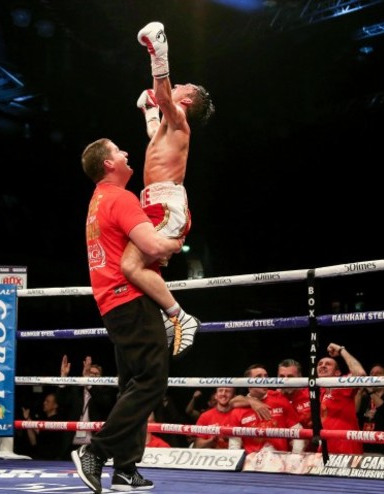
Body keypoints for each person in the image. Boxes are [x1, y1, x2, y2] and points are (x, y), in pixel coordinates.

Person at [73, 136, 183, 494]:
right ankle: (97, 451)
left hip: (111, 301)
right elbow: (151, 246)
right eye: (119, 150)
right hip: (132, 298)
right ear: (108, 164)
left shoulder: (96, 202)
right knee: (153, 381)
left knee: (131, 385)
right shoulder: (121, 197)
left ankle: (125, 470)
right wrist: (173, 244)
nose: (126, 153)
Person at [121, 21, 215, 359]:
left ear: (186, 98)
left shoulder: (180, 119)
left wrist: (157, 51)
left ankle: (180, 316)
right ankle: (163, 317)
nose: (176, 87)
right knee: (141, 270)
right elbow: (154, 141)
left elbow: (162, 93)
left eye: (182, 86)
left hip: (165, 204)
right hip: (157, 203)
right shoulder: (169, 126)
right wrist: (148, 110)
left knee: (129, 266)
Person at [228, 364, 306, 454]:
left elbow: (298, 431)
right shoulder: (238, 408)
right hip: (252, 462)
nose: (264, 379)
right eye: (259, 377)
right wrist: (252, 401)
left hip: (280, 461)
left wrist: (295, 457)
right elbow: (234, 445)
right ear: (248, 383)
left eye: (266, 376)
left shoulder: (279, 398)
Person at [57, 355, 116, 454]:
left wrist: (89, 384)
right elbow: (61, 401)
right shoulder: (76, 390)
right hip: (72, 445)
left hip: (94, 445)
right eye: (89, 372)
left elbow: (105, 404)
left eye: (95, 374)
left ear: (101, 378)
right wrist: (63, 377)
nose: (92, 375)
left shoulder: (106, 391)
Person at [317, 342, 366, 454]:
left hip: (346, 446)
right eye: (320, 364)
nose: (322, 365)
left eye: (328, 364)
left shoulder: (342, 385)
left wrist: (341, 350)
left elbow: (360, 374)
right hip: (326, 445)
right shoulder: (319, 390)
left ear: (337, 373)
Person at [356, 362, 384, 453]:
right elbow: (355, 413)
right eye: (371, 373)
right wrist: (359, 391)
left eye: (378, 373)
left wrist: (370, 391)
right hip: (365, 446)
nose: (373, 376)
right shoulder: (366, 398)